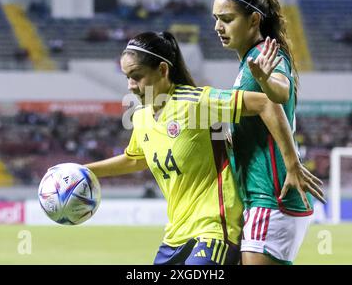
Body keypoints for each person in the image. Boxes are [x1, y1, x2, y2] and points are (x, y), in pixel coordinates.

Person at [85, 31, 324, 265]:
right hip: (176, 235)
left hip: (215, 231)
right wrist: (84, 171)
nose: (131, 86)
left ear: (162, 70)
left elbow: (265, 103)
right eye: (127, 77)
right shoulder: (141, 118)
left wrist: (292, 164)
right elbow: (135, 159)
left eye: (137, 76)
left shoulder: (196, 103)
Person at [212, 0, 322, 265]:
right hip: (264, 200)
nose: (218, 27)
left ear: (254, 19)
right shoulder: (249, 61)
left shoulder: (265, 55)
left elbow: (279, 91)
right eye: (216, 20)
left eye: (227, 19)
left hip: (272, 198)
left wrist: (264, 78)